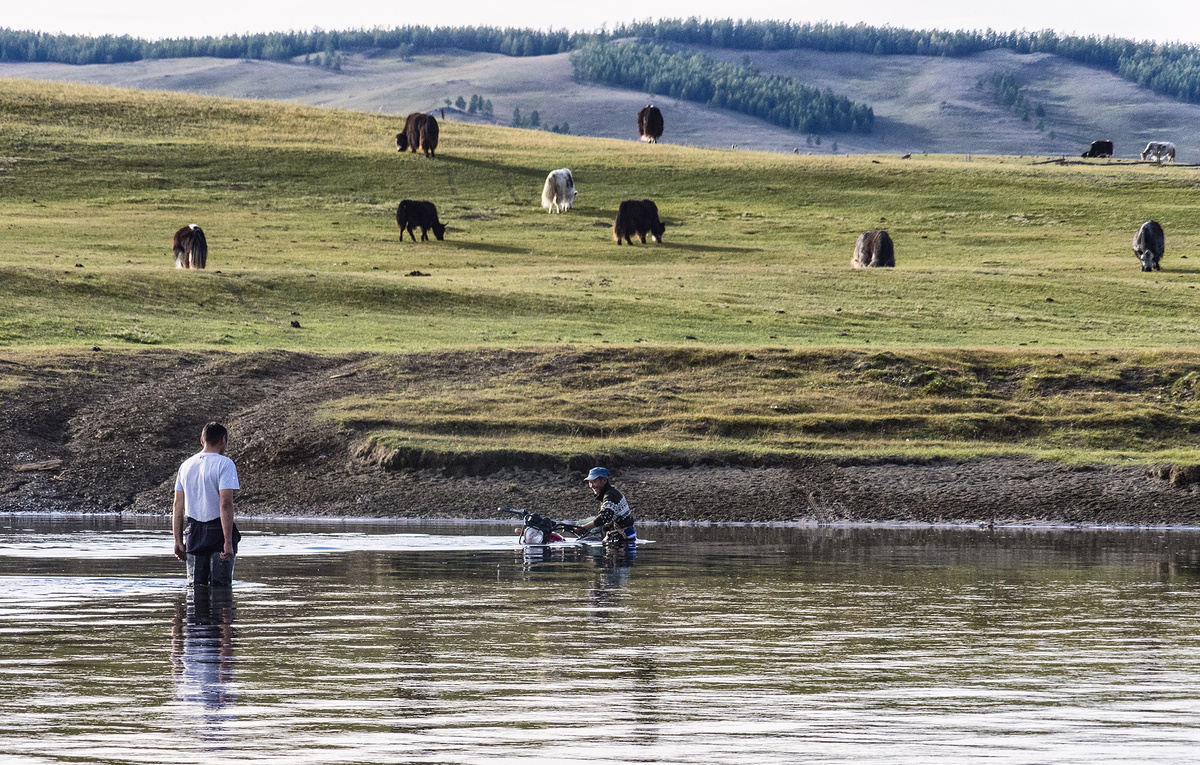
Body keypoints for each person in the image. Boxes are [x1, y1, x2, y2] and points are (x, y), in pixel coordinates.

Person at [173, 421, 241, 587]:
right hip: (218, 529)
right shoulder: (225, 464)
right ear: (223, 440)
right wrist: (228, 542)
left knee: (196, 586)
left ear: (202, 440)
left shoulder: (186, 465)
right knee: (221, 586)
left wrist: (177, 541)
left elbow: (177, 505)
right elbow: (225, 503)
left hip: (194, 530)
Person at [576, 467, 636, 545]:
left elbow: (604, 517)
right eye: (590, 482)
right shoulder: (610, 493)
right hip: (620, 535)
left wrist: (584, 528)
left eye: (594, 481)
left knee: (581, 543)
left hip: (623, 537)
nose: (591, 486)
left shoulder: (610, 495)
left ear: (604, 480)